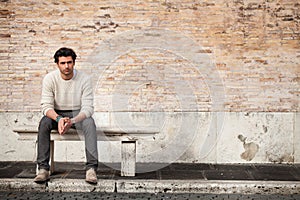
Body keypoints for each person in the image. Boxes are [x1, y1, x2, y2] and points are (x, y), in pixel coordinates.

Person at [34, 47, 98, 184]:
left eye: (69, 62)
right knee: (44, 122)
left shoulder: (84, 79)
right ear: (57, 64)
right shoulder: (50, 79)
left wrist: (72, 120)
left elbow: (88, 109)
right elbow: (46, 107)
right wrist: (59, 119)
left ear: (74, 63)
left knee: (90, 122)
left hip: (77, 115)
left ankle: (91, 169)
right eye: (62, 63)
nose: (66, 66)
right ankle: (43, 169)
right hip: (56, 115)